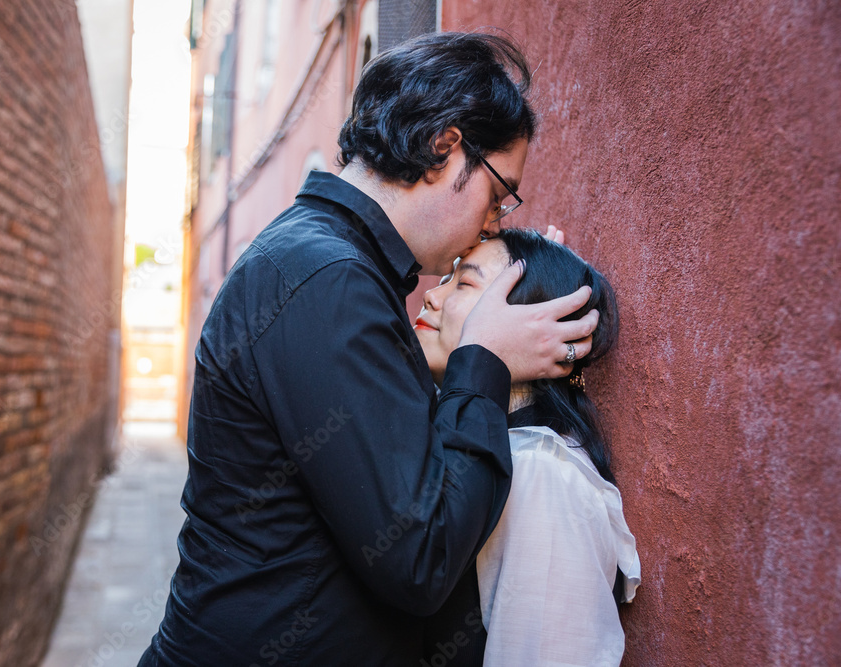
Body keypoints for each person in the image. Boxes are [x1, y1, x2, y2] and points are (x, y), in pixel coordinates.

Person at [138, 32, 600, 666]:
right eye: (497, 194)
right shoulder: (328, 279)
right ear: (446, 146)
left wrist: (529, 286)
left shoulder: (328, 263)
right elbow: (419, 557)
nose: (494, 222)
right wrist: (484, 359)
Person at [414, 229, 642, 666]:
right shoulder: (476, 442)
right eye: (447, 278)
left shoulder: (541, 475)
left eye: (464, 283)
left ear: (532, 324)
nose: (431, 296)